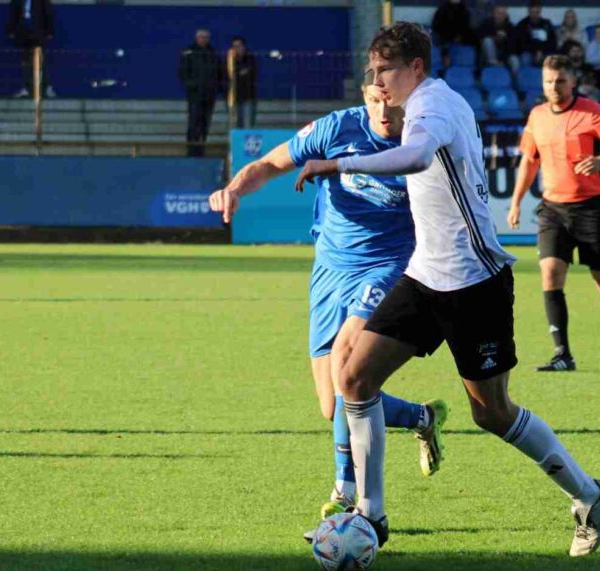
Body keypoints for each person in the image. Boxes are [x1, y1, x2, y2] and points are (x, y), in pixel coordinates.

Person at [296, 24, 600, 557]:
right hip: (425, 277)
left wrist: (339, 162)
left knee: (491, 413)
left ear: (415, 69)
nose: (377, 81)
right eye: (372, 72)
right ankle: (370, 516)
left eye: (385, 71)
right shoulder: (422, 103)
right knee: (352, 376)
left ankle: (588, 495)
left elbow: (418, 156)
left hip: (475, 284)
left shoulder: (433, 107)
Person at [209, 69, 448, 530]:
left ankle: (346, 491)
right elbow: (271, 164)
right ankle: (422, 417)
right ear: (364, 96)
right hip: (330, 267)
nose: (384, 111)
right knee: (332, 403)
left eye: (390, 101)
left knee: (347, 365)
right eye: (374, 100)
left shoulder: (423, 141)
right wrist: (235, 189)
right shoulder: (337, 128)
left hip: (389, 265)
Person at [506, 55, 600, 373]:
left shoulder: (592, 112)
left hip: (592, 207)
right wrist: (516, 201)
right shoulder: (537, 115)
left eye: (560, 80)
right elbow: (529, 160)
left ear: (573, 82)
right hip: (553, 208)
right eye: (549, 81)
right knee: (550, 274)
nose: (554, 86)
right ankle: (562, 353)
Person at [178, 28, 224, 157]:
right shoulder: (189, 52)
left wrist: (216, 87)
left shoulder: (213, 53)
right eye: (201, 37)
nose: (203, 40)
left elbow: (219, 72)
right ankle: (191, 149)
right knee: (193, 122)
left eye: (205, 37)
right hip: (194, 95)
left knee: (205, 122)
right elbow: (183, 72)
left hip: (209, 94)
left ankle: (201, 148)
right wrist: (191, 85)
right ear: (196, 38)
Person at [7, 0, 55, 99]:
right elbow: (14, 14)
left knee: (40, 62)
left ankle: (46, 87)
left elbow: (48, 13)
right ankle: (27, 88)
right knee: (26, 62)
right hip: (24, 34)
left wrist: (50, 31)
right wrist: (11, 30)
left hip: (37, 34)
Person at [515, 0, 556, 66]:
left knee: (551, 59)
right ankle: (527, 76)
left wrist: (541, 51)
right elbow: (521, 44)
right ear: (529, 11)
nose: (534, 15)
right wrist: (536, 51)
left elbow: (552, 42)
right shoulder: (522, 24)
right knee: (525, 58)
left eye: (536, 12)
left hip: (544, 51)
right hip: (528, 52)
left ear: (540, 11)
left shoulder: (547, 24)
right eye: (532, 12)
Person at [478, 4, 518, 71]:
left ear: (505, 15)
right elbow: (479, 37)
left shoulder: (510, 27)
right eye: (498, 13)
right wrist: (494, 38)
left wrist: (505, 39)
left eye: (503, 14)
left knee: (514, 60)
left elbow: (514, 47)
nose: (500, 16)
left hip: (504, 55)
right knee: (487, 40)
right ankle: (493, 63)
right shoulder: (485, 24)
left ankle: (515, 81)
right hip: (488, 55)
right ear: (493, 14)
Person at [229, 36, 257, 129]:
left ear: (244, 47)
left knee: (247, 125)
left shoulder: (250, 59)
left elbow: (251, 75)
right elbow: (229, 76)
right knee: (236, 125)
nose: (237, 49)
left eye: (239, 46)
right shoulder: (230, 61)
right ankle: (237, 144)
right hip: (234, 97)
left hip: (248, 96)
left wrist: (238, 74)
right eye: (235, 46)